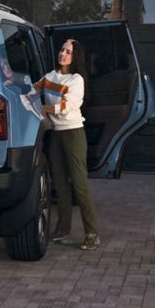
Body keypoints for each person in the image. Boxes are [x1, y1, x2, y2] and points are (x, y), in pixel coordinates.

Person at [29, 39, 100, 250]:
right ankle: (63, 230)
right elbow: (31, 92)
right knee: (59, 184)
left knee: (79, 183)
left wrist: (44, 109)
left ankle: (92, 233)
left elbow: (66, 106)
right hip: (56, 134)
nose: (63, 54)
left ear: (75, 56)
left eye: (68, 52)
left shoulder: (76, 80)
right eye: (62, 50)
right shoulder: (50, 77)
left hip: (73, 133)